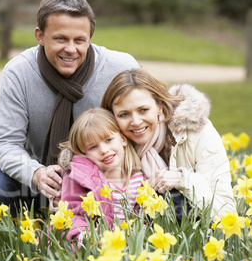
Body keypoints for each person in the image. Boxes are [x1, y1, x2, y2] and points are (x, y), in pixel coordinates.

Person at [0, 0, 139, 216]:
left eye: (79, 40)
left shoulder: (119, 68)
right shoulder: (18, 73)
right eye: (60, 39)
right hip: (44, 179)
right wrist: (36, 174)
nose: (71, 49)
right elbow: (7, 143)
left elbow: (144, 126)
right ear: (40, 36)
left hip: (108, 178)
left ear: (90, 38)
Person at [101, 68, 236, 218]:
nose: (136, 122)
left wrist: (183, 179)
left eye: (143, 110)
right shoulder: (108, 147)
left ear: (159, 107)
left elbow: (226, 213)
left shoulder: (196, 132)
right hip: (136, 236)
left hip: (197, 235)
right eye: (124, 114)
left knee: (171, 197)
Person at [58, 108, 146, 243]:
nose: (104, 150)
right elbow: (73, 214)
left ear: (123, 139)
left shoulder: (139, 179)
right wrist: (84, 237)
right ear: (84, 153)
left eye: (109, 140)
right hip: (96, 243)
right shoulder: (82, 180)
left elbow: (143, 214)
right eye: (93, 147)